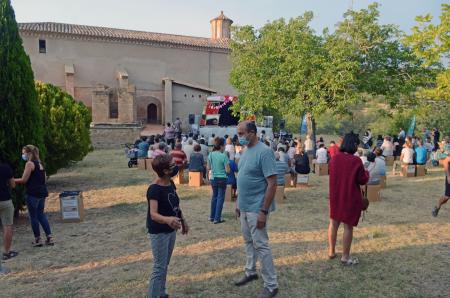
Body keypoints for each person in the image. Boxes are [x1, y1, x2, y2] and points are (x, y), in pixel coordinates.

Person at [234, 121, 278, 298]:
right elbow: (242, 176)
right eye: (238, 133)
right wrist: (238, 202)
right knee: (248, 241)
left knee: (261, 244)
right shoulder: (245, 151)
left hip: (256, 208)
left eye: (242, 133)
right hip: (244, 206)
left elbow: (272, 183)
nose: (240, 137)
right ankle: (250, 271)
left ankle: (271, 285)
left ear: (252, 133)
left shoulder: (265, 152)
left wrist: (263, 211)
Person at [146, 154, 189, 298]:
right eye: (172, 165)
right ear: (164, 171)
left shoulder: (171, 183)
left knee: (165, 264)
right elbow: (153, 214)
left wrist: (183, 221)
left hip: (171, 231)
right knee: (159, 267)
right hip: (159, 232)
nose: (175, 167)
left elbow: (175, 205)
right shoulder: (154, 189)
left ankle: (162, 293)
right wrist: (167, 220)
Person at [328, 132, 369, 266]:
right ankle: (345, 256)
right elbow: (362, 179)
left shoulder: (334, 158)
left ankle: (331, 251)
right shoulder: (356, 161)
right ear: (354, 145)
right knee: (348, 227)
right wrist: (367, 172)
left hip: (335, 196)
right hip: (350, 197)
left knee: (333, 224)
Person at [14, 145, 53, 247]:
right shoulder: (40, 164)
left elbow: (24, 180)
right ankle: (49, 237)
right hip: (42, 193)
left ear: (29, 153)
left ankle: (38, 239)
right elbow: (44, 179)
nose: (23, 155)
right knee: (41, 215)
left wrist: (11, 180)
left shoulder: (29, 164)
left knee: (33, 216)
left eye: (24, 153)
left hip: (32, 194)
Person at [207, 137, 230, 224]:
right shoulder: (224, 156)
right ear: (221, 146)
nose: (224, 147)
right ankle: (217, 218)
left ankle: (212, 216)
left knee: (214, 197)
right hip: (222, 179)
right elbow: (228, 170)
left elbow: (208, 167)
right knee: (220, 198)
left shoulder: (211, 155)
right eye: (224, 145)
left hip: (213, 178)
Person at [0, 156, 18, 260]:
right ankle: (6, 253)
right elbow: (13, 184)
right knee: (7, 226)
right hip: (5, 200)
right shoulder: (5, 168)